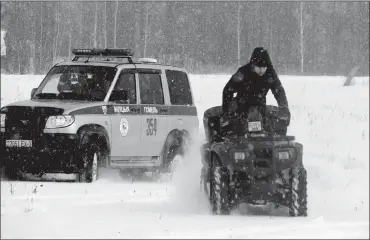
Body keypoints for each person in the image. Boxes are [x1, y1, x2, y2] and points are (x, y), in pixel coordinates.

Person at [222, 47, 290, 117]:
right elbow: (228, 90)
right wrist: (226, 112)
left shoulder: (270, 73)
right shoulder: (243, 73)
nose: (261, 70)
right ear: (253, 65)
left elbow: (279, 91)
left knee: (268, 125)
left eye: (264, 67)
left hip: (260, 107)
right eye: (259, 67)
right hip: (241, 107)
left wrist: (284, 108)